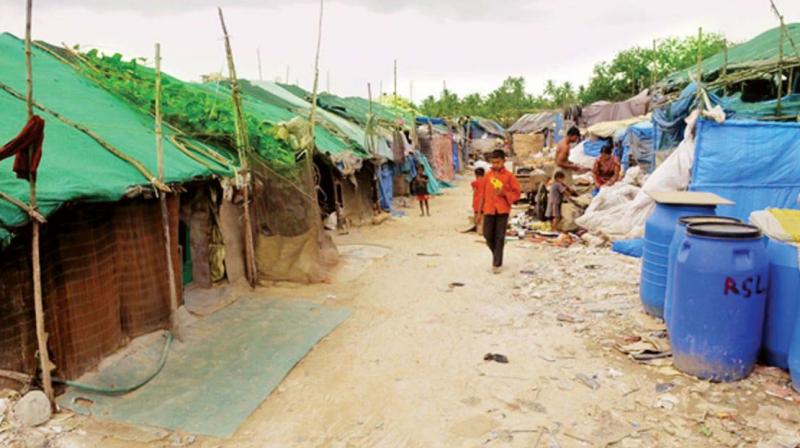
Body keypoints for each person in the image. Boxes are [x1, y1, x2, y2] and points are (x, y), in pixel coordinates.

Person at [480, 150, 521, 274]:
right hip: (489, 209)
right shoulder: (488, 175)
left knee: (499, 236)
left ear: (503, 161)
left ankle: (497, 263)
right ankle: (497, 253)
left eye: (498, 162)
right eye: (493, 163)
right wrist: (478, 212)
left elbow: (517, 194)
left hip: (503, 209)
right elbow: (482, 194)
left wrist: (504, 193)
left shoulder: (509, 177)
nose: (495, 165)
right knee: (487, 235)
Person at [471, 167, 486, 232]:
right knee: (483, 216)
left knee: (477, 215)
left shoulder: (474, 183)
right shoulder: (486, 181)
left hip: (477, 202)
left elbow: (474, 192)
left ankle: (478, 228)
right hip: (485, 201)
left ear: (476, 175)